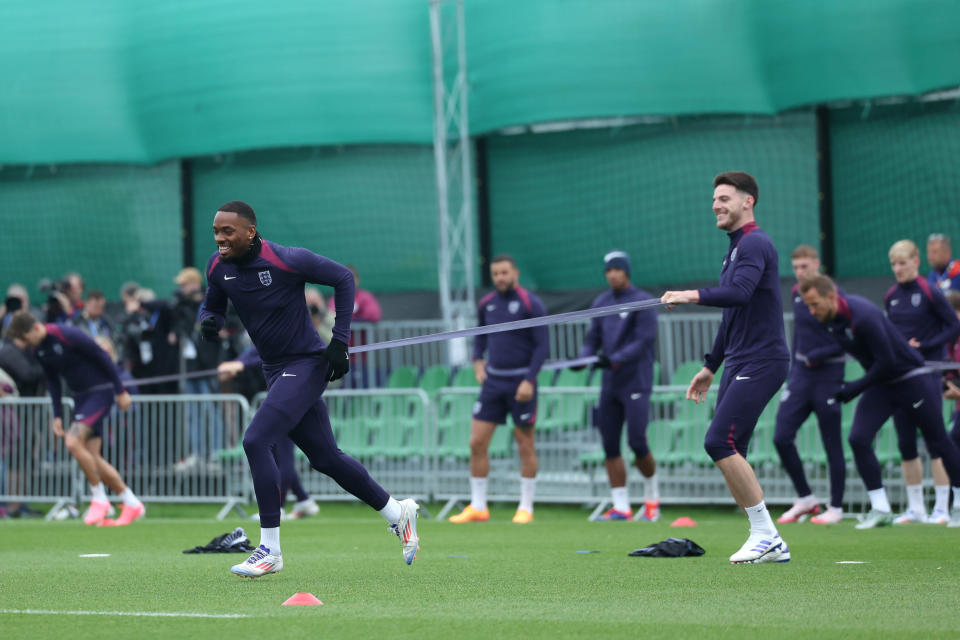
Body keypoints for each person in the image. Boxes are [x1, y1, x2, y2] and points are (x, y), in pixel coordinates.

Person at [197, 200, 418, 578]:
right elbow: (213, 303)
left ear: (250, 231)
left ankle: (270, 549)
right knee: (326, 458)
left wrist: (340, 340)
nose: (219, 238)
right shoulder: (218, 267)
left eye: (227, 231)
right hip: (274, 369)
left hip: (306, 364)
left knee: (255, 440)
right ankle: (399, 513)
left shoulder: (286, 259)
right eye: (216, 231)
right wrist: (208, 320)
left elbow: (343, 279)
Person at [661, 171, 792, 564]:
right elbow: (733, 316)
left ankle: (766, 535)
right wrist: (710, 366)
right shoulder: (735, 248)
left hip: (763, 359)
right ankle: (769, 540)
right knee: (734, 446)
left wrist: (689, 294)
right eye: (714, 199)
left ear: (747, 201)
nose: (715, 205)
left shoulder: (755, 243)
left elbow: (738, 294)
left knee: (719, 442)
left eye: (724, 198)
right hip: (738, 360)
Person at [799, 275, 960, 529]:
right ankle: (881, 508)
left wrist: (853, 389)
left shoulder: (863, 314)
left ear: (831, 297)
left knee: (939, 440)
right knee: (858, 438)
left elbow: (888, 362)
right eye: (808, 305)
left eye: (815, 304)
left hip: (912, 378)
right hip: (884, 383)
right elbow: (870, 360)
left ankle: (959, 506)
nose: (811, 311)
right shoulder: (832, 322)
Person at [5, 311, 145, 526]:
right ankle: (131, 501)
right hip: (81, 398)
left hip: (100, 392)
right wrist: (57, 415)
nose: (25, 344)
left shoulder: (65, 333)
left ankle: (98, 498)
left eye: (25, 338)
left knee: (72, 442)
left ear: (34, 328)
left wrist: (120, 391)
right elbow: (52, 381)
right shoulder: (39, 349)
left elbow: (101, 356)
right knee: (92, 457)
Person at [449, 254, 548, 525]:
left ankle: (525, 507)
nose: (500, 278)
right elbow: (480, 336)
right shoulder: (487, 304)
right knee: (476, 442)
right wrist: (478, 363)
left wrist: (529, 380)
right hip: (494, 382)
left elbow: (542, 347)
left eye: (504, 272)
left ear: (515, 272)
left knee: (525, 444)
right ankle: (478, 506)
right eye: (495, 274)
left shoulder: (531, 303)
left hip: (521, 383)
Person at [578, 250, 660, 521]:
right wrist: (583, 358)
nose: (612, 274)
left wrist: (612, 359)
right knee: (610, 444)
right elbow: (592, 340)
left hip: (636, 381)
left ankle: (651, 499)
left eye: (617, 269)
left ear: (626, 271)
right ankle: (621, 507)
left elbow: (642, 342)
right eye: (608, 270)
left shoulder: (643, 301)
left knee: (637, 441)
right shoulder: (602, 302)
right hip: (610, 384)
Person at [885, 239, 960, 524]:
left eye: (903, 263)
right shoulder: (891, 295)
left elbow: (954, 326)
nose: (898, 269)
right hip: (900, 377)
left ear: (916, 262)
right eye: (894, 264)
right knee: (905, 440)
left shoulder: (930, 291)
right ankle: (916, 507)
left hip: (927, 374)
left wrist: (926, 345)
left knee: (935, 440)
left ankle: (942, 506)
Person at [774, 245, 847, 525]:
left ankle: (836, 508)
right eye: (796, 268)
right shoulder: (796, 293)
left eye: (805, 266)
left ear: (817, 264)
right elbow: (801, 335)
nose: (800, 272)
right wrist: (795, 368)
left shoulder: (834, 295)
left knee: (832, 444)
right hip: (801, 377)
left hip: (829, 375)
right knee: (781, 436)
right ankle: (806, 498)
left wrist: (820, 354)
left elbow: (846, 338)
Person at [218, 346, 320, 520]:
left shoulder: (284, 331)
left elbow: (271, 355)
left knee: (284, 457)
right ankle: (303, 499)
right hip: (278, 400)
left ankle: (278, 507)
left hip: (288, 399)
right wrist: (237, 363)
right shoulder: (264, 335)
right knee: (275, 455)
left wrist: (241, 365)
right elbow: (256, 350)